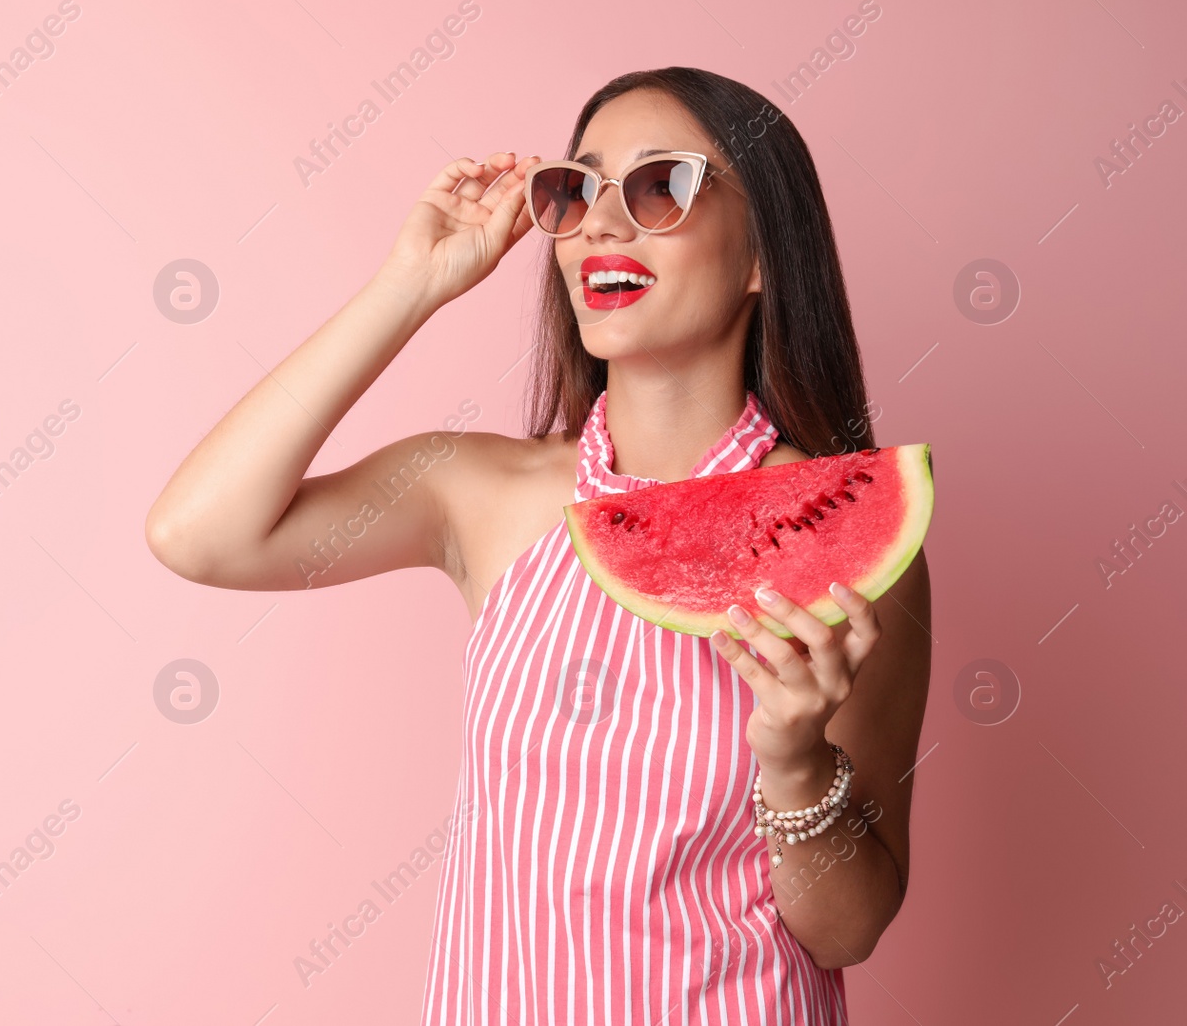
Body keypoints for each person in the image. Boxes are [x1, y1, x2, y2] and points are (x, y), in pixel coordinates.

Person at [145, 66, 931, 1025]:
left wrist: (798, 756)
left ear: (765, 251)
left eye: (661, 186)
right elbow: (200, 533)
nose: (602, 222)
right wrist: (413, 284)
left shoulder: (846, 538)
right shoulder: (484, 493)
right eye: (577, 189)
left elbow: (845, 932)